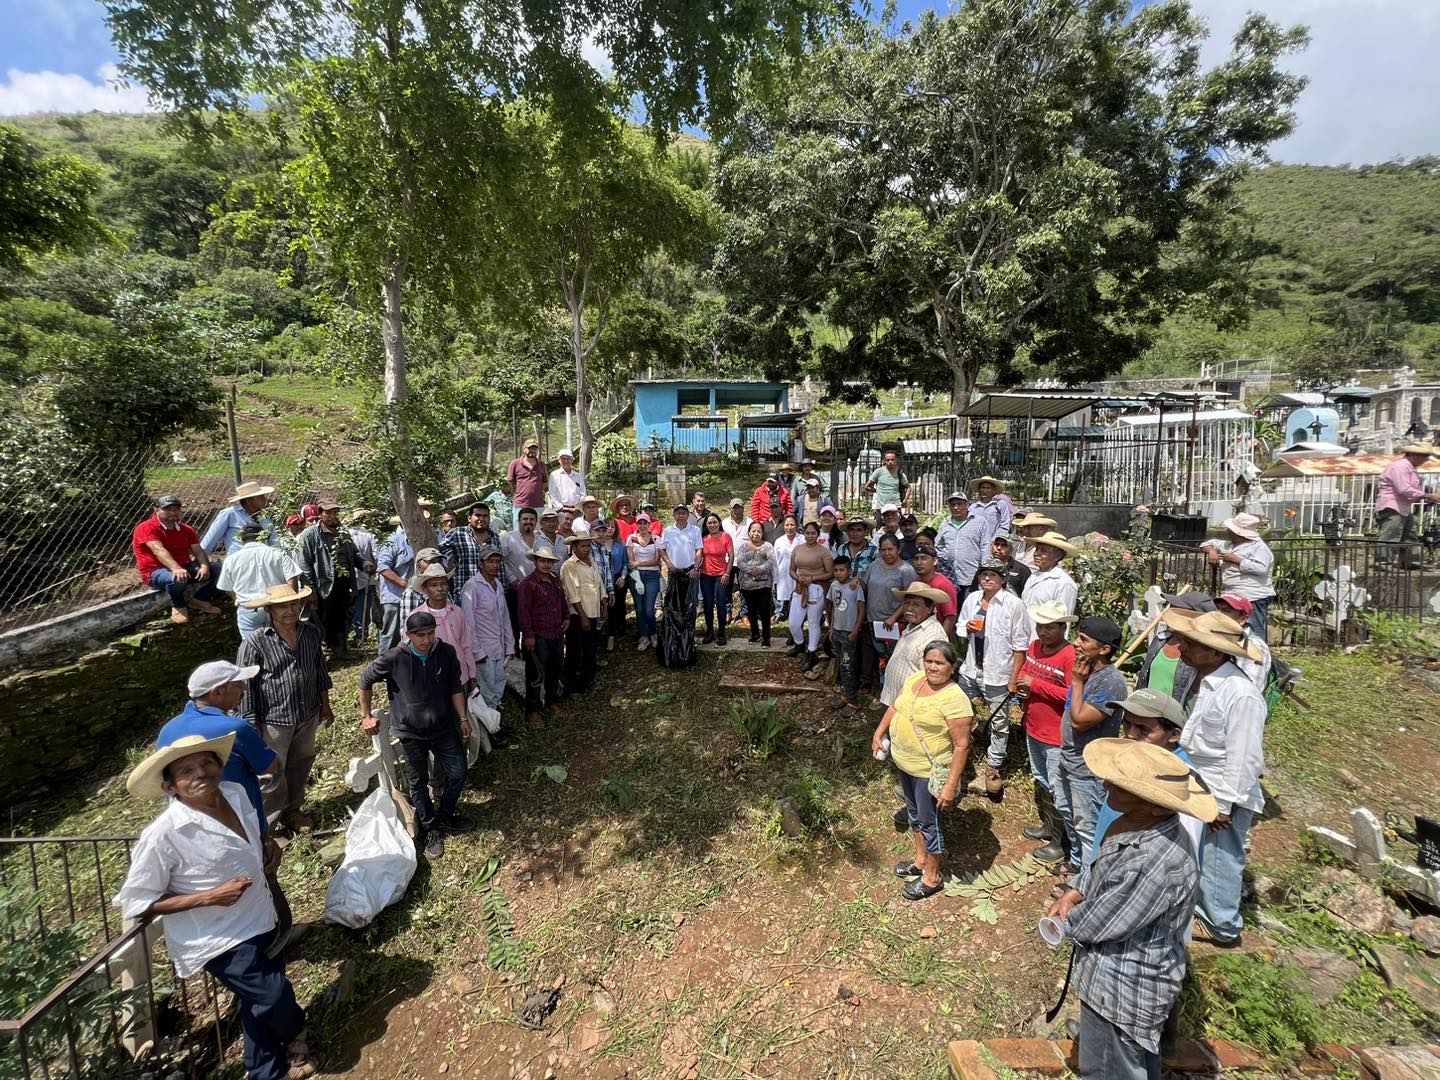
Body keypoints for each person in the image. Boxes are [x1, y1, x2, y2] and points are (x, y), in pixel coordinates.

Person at [115, 733, 318, 1080]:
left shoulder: (236, 795)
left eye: (208, 763)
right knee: (271, 993)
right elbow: (139, 902)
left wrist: (270, 848)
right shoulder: (164, 835)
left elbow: (255, 837)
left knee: (259, 999)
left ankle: (265, 1071)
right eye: (187, 770)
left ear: (221, 766)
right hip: (218, 936)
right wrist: (209, 897)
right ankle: (296, 1032)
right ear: (170, 787)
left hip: (258, 913)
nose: (201, 773)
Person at [1045, 739, 1214, 1080]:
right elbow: (1097, 869)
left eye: (1119, 784)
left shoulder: (1154, 861)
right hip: (1114, 984)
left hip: (1124, 992)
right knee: (1132, 1065)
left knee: (1110, 1068)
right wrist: (1076, 891)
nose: (1106, 784)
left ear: (1154, 805)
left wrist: (1065, 921)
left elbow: (1102, 921)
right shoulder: (1131, 824)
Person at [1167, 610, 1267, 947]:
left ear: (1216, 651)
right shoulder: (1208, 681)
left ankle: (1223, 926)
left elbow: (1245, 758)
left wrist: (1222, 805)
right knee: (1201, 853)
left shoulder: (1240, 694)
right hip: (1200, 781)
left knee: (1220, 859)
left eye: (1193, 644)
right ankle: (1202, 911)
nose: (1183, 648)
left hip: (1223, 791)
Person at [360, 610, 471, 860]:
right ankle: (431, 828)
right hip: (411, 732)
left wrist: (463, 718)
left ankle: (446, 815)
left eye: (431, 633)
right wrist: (366, 716)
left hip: (444, 727)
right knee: (418, 782)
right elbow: (365, 680)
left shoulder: (446, 653)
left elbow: (455, 686)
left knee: (459, 772)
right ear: (408, 635)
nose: (426, 639)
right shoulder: (394, 658)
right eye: (420, 635)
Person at [871, 641, 972, 901]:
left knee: (929, 823)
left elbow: (962, 746)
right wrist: (879, 732)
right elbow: (895, 707)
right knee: (915, 816)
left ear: (953, 667)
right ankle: (919, 861)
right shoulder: (916, 679)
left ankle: (932, 877)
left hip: (928, 771)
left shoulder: (955, 699)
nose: (932, 667)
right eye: (929, 661)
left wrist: (950, 786)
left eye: (939, 663)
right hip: (905, 764)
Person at [237, 584, 333, 831]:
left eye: (293, 604)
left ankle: (293, 811)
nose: (290, 610)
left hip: (307, 713)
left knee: (301, 763)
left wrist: (326, 705)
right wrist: (251, 727)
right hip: (274, 719)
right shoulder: (255, 643)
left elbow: (319, 670)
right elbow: (245, 687)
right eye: (282, 606)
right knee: (271, 773)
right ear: (269, 610)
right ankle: (268, 826)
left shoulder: (310, 633)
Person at [1056, 617, 1128, 868]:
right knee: (1067, 813)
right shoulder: (1085, 670)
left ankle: (1088, 884)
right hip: (1068, 759)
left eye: (1084, 640)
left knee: (1087, 827)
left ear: (1104, 649)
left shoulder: (1110, 682)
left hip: (1088, 769)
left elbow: (1079, 721)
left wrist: (1076, 682)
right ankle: (1077, 865)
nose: (1076, 643)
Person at [958, 560, 1032, 796]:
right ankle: (960, 753)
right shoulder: (972, 599)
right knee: (961, 713)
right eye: (984, 574)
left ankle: (994, 764)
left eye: (993, 575)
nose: (987, 578)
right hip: (971, 669)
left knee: (1000, 722)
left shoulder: (1014, 605)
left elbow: (1021, 646)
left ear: (1003, 580)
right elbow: (960, 626)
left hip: (997, 672)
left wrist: (1014, 677)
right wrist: (967, 628)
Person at [1017, 602, 1077, 864]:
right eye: (1040, 626)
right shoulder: (1033, 648)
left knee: (1058, 787)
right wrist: (1022, 685)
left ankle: (1061, 841)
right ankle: (1049, 827)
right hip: (1033, 727)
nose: (1043, 632)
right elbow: (1025, 672)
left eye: (1050, 627)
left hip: (1055, 735)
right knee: (1042, 779)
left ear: (1063, 627)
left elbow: (1072, 695)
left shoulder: (1070, 655)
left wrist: (1036, 685)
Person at [133, 494, 223, 624]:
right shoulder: (146, 527)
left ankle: (200, 599)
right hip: (156, 571)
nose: (173, 512)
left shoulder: (186, 529)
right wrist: (176, 568)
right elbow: (159, 550)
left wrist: (204, 566)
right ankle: (178, 606)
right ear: (156, 510)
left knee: (220, 569)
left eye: (176, 509)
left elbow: (198, 551)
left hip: (185, 567)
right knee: (176, 578)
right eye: (168, 509)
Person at [295, 499, 360, 658]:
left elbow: (354, 554)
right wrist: (310, 590)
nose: (333, 516)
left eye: (335, 512)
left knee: (340, 617)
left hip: (342, 583)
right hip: (322, 585)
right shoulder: (308, 535)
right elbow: (304, 565)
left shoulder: (342, 533)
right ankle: (321, 652)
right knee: (320, 620)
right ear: (320, 514)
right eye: (328, 513)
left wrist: (364, 564)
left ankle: (340, 650)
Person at [1199, 513, 1275, 639]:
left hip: (1253, 595)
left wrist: (1237, 560)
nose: (1227, 531)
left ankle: (1258, 656)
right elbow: (1207, 543)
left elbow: (1261, 568)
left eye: (1230, 529)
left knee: (1253, 629)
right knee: (1234, 627)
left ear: (1239, 533)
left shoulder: (1259, 548)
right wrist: (1212, 551)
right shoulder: (1229, 544)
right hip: (1235, 595)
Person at [517, 542, 568, 727]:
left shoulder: (555, 580)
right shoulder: (528, 584)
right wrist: (528, 635)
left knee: (555, 668)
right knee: (536, 674)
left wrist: (567, 617)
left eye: (549, 561)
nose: (546, 564)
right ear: (536, 562)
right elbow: (523, 612)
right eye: (542, 561)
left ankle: (552, 701)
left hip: (556, 633)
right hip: (538, 636)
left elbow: (562, 602)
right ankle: (534, 710)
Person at [218, 525, 301, 638]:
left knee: (252, 648)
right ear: (264, 537)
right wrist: (290, 605)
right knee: (282, 646)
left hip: (248, 609)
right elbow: (292, 581)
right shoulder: (278, 554)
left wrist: (239, 599)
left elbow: (227, 588)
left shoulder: (231, 560)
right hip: (277, 607)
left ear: (242, 540)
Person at [863, 534, 917, 694]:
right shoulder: (874, 566)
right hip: (875, 621)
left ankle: (898, 692)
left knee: (896, 659)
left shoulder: (906, 570)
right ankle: (885, 691)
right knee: (882, 658)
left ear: (898, 549)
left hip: (894, 623)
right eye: (883, 550)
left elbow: (909, 599)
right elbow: (866, 587)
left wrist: (893, 617)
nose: (887, 553)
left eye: (890, 549)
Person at [404, 564, 474, 687]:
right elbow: (409, 650)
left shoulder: (458, 612)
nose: (440, 588)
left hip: (460, 676)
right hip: (431, 679)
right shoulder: (416, 617)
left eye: (443, 584)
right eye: (434, 585)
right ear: (425, 589)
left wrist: (472, 675)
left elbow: (466, 645)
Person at [879, 583, 948, 707]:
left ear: (929, 608)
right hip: (897, 701)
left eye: (916, 604)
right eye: (906, 603)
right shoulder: (911, 626)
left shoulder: (934, 636)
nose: (909, 608)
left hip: (913, 705)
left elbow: (933, 678)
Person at [462, 544, 513, 711]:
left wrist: (509, 644)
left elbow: (504, 617)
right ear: (481, 564)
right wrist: (477, 651)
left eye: (497, 561)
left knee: (499, 683)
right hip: (483, 648)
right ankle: (489, 728)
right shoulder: (473, 586)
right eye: (490, 561)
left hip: (498, 644)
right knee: (486, 689)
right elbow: (468, 623)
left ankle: (496, 720)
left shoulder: (497, 584)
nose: (495, 565)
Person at [1137, 592, 1214, 700]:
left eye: (1177, 610)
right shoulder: (1161, 639)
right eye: (1171, 607)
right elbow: (1143, 678)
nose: (1170, 613)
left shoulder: (1202, 653)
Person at [1376, 443, 1440, 568]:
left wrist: (1426, 497)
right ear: (1414, 455)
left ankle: (1412, 562)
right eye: (1425, 456)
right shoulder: (1400, 467)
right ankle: (1383, 562)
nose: (1426, 460)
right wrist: (1429, 496)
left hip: (1402, 506)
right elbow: (1404, 489)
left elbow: (1410, 490)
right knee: (1391, 535)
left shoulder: (1410, 468)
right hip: (1392, 505)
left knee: (1410, 534)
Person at [561, 524, 607, 694]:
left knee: (591, 649)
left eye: (588, 545)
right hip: (578, 616)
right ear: (574, 547)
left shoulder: (592, 561)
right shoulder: (569, 566)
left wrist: (604, 605)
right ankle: (571, 687)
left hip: (594, 612)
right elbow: (572, 594)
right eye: (583, 546)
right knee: (574, 652)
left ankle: (587, 682)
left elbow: (599, 584)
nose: (586, 549)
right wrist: (583, 617)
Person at [787, 520, 834, 674]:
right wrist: (798, 578)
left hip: (816, 589)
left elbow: (830, 573)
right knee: (794, 622)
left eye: (813, 533)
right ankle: (799, 643)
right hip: (800, 588)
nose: (810, 536)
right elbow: (792, 570)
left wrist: (812, 578)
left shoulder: (824, 551)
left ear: (818, 534)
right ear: (804, 533)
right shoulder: (798, 549)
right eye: (807, 533)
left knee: (813, 622)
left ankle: (812, 652)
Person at [827, 555, 865, 714]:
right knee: (842, 666)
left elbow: (861, 610)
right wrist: (831, 627)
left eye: (841, 570)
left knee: (848, 666)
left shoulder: (855, 587)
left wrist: (856, 630)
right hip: (837, 631)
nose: (838, 573)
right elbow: (834, 607)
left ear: (849, 570)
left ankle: (854, 701)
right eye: (835, 570)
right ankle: (846, 695)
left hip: (850, 632)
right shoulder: (834, 586)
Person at [1212, 593, 1272, 693]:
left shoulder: (1254, 647)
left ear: (1243, 619)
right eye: (1218, 609)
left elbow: (1250, 690)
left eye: (1227, 611)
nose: (1219, 615)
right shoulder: (1216, 636)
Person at [442, 501, 502, 598]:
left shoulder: (494, 537)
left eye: (485, 516)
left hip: (490, 596)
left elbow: (500, 568)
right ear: (469, 518)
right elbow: (438, 552)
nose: (481, 519)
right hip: (465, 594)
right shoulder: (457, 533)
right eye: (478, 515)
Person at [201, 481, 278, 556]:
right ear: (248, 501)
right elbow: (208, 543)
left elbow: (274, 541)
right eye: (261, 497)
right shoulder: (229, 514)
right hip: (238, 562)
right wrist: (203, 563)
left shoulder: (264, 516)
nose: (265, 499)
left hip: (263, 559)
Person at [375, 518, 417, 653]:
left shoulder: (420, 539)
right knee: (391, 634)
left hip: (414, 596)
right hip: (394, 596)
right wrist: (404, 584)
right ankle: (382, 667)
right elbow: (382, 566)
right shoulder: (394, 540)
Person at [501, 507, 539, 650]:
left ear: (536, 521)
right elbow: (500, 560)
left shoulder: (540, 538)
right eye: (525, 519)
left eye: (531, 519)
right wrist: (513, 580)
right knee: (515, 628)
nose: (528, 522)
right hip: (515, 591)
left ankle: (532, 662)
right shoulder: (508, 538)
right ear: (519, 521)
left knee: (533, 627)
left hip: (536, 592)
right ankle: (515, 660)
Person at [734, 520, 775, 647]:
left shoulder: (767, 546)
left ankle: (766, 637)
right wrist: (751, 571)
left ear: (762, 533)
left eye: (759, 531)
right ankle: (755, 634)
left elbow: (771, 560)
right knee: (751, 610)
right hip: (747, 584)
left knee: (764, 610)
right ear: (749, 532)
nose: (756, 533)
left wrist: (760, 570)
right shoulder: (743, 547)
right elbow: (740, 562)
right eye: (753, 531)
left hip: (764, 584)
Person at [1019, 531, 1079, 618]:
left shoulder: (1063, 583)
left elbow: (1063, 620)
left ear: (1057, 556)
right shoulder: (1033, 576)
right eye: (1037, 549)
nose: (1036, 553)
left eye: (1043, 551)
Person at [698, 512, 735, 646]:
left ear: (719, 523)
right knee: (707, 605)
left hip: (721, 575)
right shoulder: (703, 538)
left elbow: (731, 556)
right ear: (706, 525)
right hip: (705, 575)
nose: (712, 525)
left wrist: (727, 574)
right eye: (709, 523)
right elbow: (698, 556)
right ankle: (709, 632)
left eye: (715, 522)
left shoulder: (726, 536)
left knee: (721, 604)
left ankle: (721, 633)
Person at [626, 515, 663, 651]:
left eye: (645, 523)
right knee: (639, 609)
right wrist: (635, 565)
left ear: (649, 524)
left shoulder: (656, 539)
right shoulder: (631, 538)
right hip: (636, 576)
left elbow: (656, 561)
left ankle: (653, 633)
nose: (642, 526)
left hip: (652, 575)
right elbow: (631, 561)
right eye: (639, 523)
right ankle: (643, 636)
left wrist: (639, 563)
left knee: (648, 609)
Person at [347, 510, 380, 647]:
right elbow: (377, 556)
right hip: (366, 578)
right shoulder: (370, 536)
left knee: (352, 608)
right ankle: (361, 635)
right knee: (363, 608)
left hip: (350, 578)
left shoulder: (345, 535)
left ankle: (356, 635)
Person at [910, 543, 958, 637]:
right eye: (916, 558)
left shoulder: (943, 584)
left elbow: (951, 616)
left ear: (935, 561)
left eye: (924, 558)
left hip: (936, 636)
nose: (919, 562)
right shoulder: (917, 582)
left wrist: (940, 639)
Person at [596, 519, 629, 649]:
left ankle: (612, 634)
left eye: (613, 527)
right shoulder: (598, 544)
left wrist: (623, 576)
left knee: (616, 606)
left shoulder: (620, 544)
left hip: (617, 578)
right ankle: (602, 632)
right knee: (604, 607)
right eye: (607, 527)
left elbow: (626, 562)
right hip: (601, 579)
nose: (610, 529)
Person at [507, 439, 547, 529]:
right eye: (529, 448)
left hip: (538, 505)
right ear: (524, 449)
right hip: (520, 505)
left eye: (534, 449)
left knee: (537, 533)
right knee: (518, 532)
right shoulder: (515, 464)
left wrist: (537, 492)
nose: (532, 451)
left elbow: (545, 482)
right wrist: (519, 493)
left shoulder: (541, 465)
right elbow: (510, 481)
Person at [866, 449, 910, 520]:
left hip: (896, 505)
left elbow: (908, 487)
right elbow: (867, 486)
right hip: (881, 506)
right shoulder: (879, 472)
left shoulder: (899, 473)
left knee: (896, 527)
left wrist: (905, 500)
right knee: (880, 529)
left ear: (896, 460)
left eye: (892, 460)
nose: (890, 462)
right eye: (888, 460)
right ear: (884, 461)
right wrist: (877, 491)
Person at [772, 515, 801, 622]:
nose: (789, 527)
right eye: (787, 525)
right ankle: (779, 613)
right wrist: (774, 575)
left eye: (792, 525)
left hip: (798, 572)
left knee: (796, 594)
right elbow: (775, 559)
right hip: (782, 572)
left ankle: (795, 614)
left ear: (797, 526)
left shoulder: (802, 539)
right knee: (781, 592)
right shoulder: (779, 541)